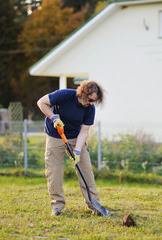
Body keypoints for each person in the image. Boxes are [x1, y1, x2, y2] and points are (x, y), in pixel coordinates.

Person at [37, 80, 105, 216]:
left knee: (86, 170)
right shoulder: (65, 95)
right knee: (54, 171)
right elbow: (41, 102)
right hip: (55, 135)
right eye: (91, 100)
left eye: (94, 101)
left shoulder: (90, 109)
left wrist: (78, 150)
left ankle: (94, 204)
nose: (91, 103)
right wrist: (53, 117)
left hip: (75, 136)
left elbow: (84, 131)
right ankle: (57, 206)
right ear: (84, 93)